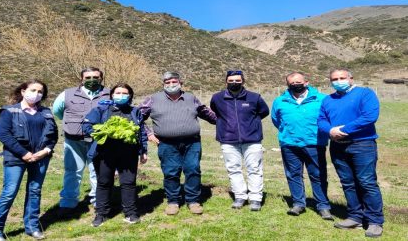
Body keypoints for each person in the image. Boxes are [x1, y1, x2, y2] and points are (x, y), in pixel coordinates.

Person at [0, 80, 58, 241]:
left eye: (40, 91)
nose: (37, 94)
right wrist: (24, 153)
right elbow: (4, 135)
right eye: (33, 90)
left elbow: (53, 135)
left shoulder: (46, 112)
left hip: (41, 157)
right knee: (9, 193)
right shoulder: (9, 111)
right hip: (16, 158)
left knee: (35, 191)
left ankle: (32, 226)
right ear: (23, 91)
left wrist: (45, 151)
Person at [318, 68, 384, 238]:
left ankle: (374, 220)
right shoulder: (328, 99)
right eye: (334, 79)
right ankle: (355, 216)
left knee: (367, 182)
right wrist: (331, 130)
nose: (338, 81)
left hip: (362, 144)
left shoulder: (365, 94)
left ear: (351, 78)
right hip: (337, 146)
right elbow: (321, 120)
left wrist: (345, 129)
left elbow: (369, 116)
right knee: (347, 182)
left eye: (342, 77)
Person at [139, 71, 216, 215]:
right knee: (171, 172)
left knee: (193, 170)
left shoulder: (191, 98)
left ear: (181, 83)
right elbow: (136, 117)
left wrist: (224, 119)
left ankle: (193, 201)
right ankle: (173, 201)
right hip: (167, 144)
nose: (171, 85)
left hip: (192, 143)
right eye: (167, 83)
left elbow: (207, 113)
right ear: (163, 85)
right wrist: (148, 133)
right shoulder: (153, 99)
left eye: (174, 82)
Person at [83, 83, 148, 227]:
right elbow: (86, 126)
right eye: (118, 92)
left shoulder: (135, 111)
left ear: (130, 96)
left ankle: (130, 213)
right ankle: (102, 213)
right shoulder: (101, 109)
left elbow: (141, 131)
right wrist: (103, 131)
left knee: (128, 183)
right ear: (112, 94)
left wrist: (143, 151)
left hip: (128, 154)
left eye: (125, 93)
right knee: (104, 182)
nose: (121, 95)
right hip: (104, 154)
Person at [271, 72, 333, 220]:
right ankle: (298, 203)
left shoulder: (322, 99)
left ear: (306, 82)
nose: (295, 85)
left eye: (298, 82)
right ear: (287, 84)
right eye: (291, 83)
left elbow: (328, 119)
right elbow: (276, 120)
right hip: (289, 144)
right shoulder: (280, 101)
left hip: (314, 143)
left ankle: (323, 206)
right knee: (293, 175)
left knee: (318, 175)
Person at [53, 67, 110, 215]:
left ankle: (98, 201)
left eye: (96, 77)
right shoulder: (67, 94)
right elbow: (57, 111)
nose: (92, 80)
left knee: (96, 171)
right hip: (73, 141)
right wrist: (70, 125)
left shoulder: (108, 94)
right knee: (73, 171)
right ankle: (68, 202)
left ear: (101, 78)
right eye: (88, 77)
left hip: (98, 141)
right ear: (82, 79)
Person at [210, 70, 269, 211]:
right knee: (233, 169)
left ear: (243, 81)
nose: (234, 83)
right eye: (231, 81)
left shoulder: (254, 97)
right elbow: (215, 111)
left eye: (237, 80)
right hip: (228, 139)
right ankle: (240, 196)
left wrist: (250, 125)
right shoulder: (217, 98)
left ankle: (255, 198)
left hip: (252, 139)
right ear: (226, 82)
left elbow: (264, 111)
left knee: (254, 169)